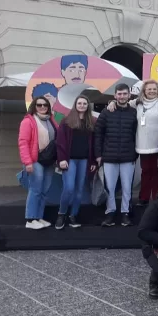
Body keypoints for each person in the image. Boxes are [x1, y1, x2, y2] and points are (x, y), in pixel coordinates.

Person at [94, 83, 138, 227]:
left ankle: (125, 213)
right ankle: (110, 212)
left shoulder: (134, 112)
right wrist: (98, 155)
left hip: (128, 157)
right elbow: (98, 134)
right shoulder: (106, 112)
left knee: (127, 187)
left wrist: (134, 153)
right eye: (119, 94)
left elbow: (136, 134)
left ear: (129, 95)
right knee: (109, 188)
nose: (122, 96)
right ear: (115, 96)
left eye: (125, 94)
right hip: (109, 157)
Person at [55, 95, 97, 229]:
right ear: (75, 104)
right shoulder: (66, 121)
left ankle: (73, 215)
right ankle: (61, 214)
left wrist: (94, 162)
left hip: (84, 160)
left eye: (85, 103)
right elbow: (60, 142)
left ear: (88, 106)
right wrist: (61, 159)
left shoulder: (92, 122)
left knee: (79, 190)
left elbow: (95, 144)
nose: (82, 105)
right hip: (70, 160)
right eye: (79, 103)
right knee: (69, 188)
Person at [18, 95, 58, 229]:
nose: (42, 107)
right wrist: (27, 162)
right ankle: (30, 219)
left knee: (44, 190)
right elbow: (23, 143)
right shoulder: (28, 121)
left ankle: (38, 217)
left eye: (45, 105)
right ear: (34, 106)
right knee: (35, 189)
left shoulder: (51, 120)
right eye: (39, 105)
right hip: (35, 159)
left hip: (49, 160)